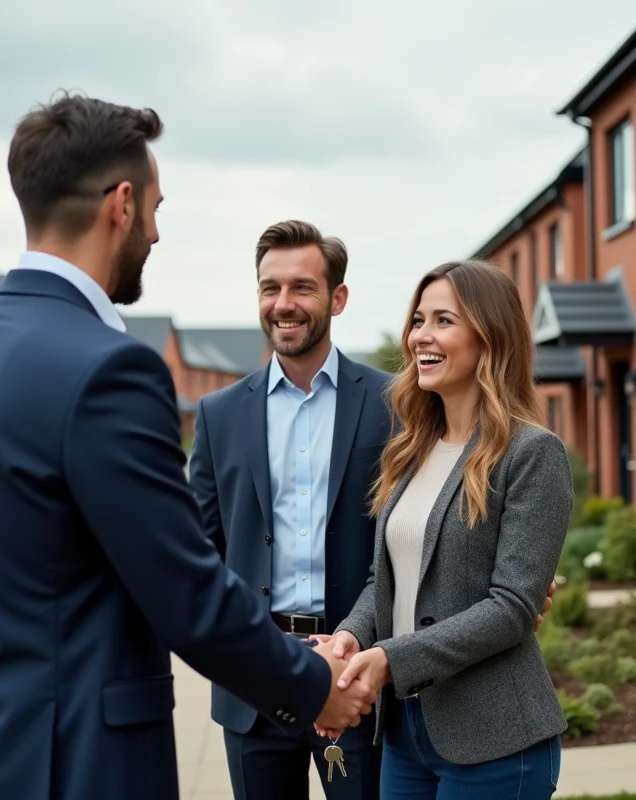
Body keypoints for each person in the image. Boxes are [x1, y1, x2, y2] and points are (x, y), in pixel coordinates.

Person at [0, 94, 375, 800]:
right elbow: (185, 586)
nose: (155, 232)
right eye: (155, 207)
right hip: (74, 762)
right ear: (121, 203)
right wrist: (313, 687)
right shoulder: (109, 369)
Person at [188, 226, 557, 800]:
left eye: (302, 287)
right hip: (263, 686)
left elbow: (500, 577)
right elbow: (202, 554)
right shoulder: (219, 415)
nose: (284, 303)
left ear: (337, 299)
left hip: (375, 691)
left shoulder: (401, 412)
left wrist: (371, 655)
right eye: (270, 287)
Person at [326, 260, 573, 799]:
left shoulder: (532, 454)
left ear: (489, 335)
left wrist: (392, 659)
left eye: (443, 321)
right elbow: (385, 580)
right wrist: (353, 633)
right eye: (418, 320)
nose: (421, 337)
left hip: (496, 738)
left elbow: (512, 607)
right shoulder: (411, 451)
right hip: (405, 734)